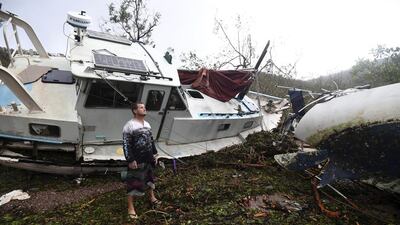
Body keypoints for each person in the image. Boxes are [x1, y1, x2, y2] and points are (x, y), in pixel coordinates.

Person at [122, 102, 161, 219]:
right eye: (141, 107)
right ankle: (130, 208)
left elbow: (151, 140)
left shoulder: (147, 124)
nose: (144, 109)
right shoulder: (129, 125)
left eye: (144, 107)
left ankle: (152, 198)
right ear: (135, 111)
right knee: (133, 183)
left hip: (148, 158)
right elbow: (126, 144)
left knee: (149, 179)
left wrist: (155, 153)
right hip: (137, 160)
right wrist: (130, 159)